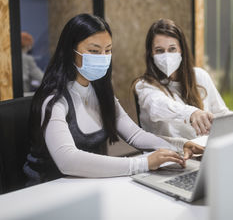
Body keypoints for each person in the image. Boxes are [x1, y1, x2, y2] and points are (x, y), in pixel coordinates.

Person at [23, 14, 203, 185]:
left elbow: (135, 135)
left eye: (107, 51)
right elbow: (68, 160)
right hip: (50, 191)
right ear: (70, 52)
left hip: (89, 186)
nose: (102, 58)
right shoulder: (54, 100)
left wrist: (177, 149)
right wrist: (142, 163)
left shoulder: (100, 92)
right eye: (94, 51)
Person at [133, 19, 232, 140]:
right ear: (151, 54)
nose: (166, 55)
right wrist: (191, 113)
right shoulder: (144, 85)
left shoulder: (199, 76)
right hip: (170, 155)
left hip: (205, 150)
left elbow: (222, 114)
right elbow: (157, 106)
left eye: (172, 49)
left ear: (182, 50)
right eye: (159, 50)